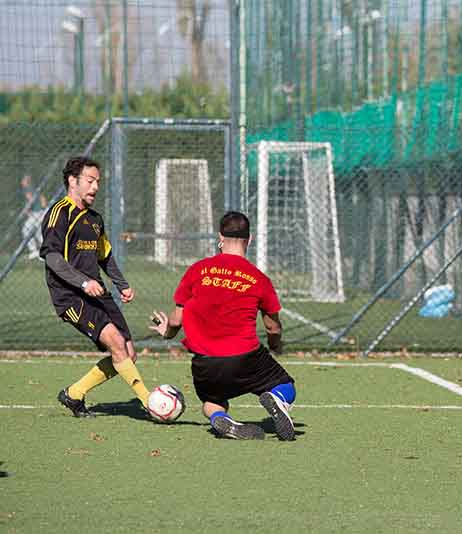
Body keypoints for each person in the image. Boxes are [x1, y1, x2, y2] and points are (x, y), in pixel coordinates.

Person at [149, 211, 296, 441]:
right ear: (249, 239)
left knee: (211, 401)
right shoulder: (259, 279)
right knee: (286, 386)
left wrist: (166, 332)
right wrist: (276, 345)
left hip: (205, 362)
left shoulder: (198, 270)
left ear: (220, 237)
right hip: (245, 356)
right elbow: (272, 328)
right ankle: (277, 398)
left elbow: (176, 320)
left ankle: (221, 418)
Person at [42, 156, 151, 417]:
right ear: (73, 181)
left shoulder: (94, 219)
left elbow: (105, 256)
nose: (96, 187)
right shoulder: (60, 213)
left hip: (98, 293)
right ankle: (152, 404)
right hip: (70, 296)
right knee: (116, 343)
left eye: (98, 182)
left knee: (128, 353)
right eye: (90, 181)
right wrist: (83, 282)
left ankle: (74, 394)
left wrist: (122, 284)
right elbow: (52, 257)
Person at [20, 174, 47, 260]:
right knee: (39, 232)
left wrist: (26, 210)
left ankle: (34, 251)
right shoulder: (34, 188)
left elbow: (31, 200)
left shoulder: (27, 189)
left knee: (26, 230)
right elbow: (43, 200)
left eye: (23, 180)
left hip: (37, 213)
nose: (22, 182)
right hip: (41, 212)